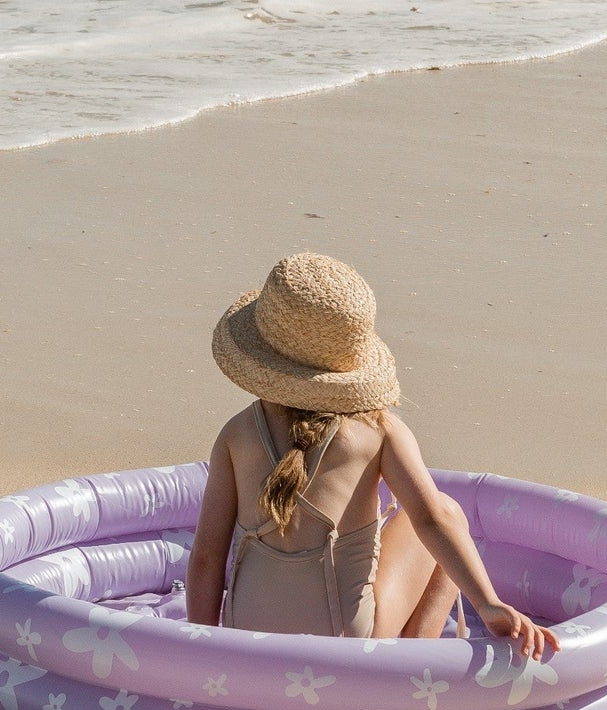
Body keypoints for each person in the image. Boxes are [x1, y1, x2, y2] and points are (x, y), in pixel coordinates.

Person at [185, 253, 559, 658]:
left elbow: (207, 556)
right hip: (347, 642)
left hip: (247, 633)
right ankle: (412, 664)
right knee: (446, 511)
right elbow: (434, 520)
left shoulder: (236, 433)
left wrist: (205, 652)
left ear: (264, 353)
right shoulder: (376, 432)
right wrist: (488, 603)